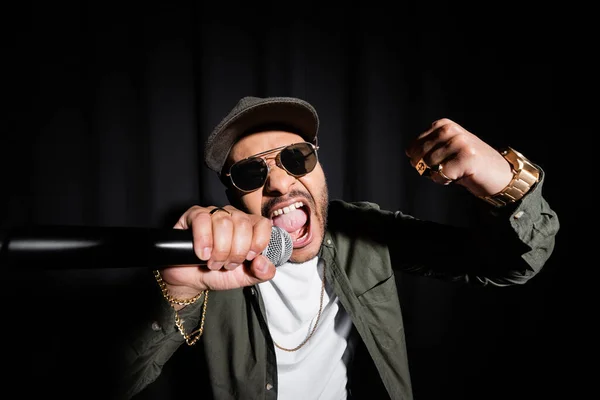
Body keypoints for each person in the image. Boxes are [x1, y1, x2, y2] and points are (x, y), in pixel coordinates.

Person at [121, 96, 559, 399]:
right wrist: (176, 291)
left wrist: (507, 183)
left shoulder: (362, 233)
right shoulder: (208, 260)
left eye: (296, 158)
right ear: (234, 196)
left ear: (318, 164)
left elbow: (506, 266)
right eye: (252, 174)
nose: (278, 182)